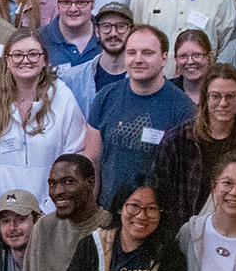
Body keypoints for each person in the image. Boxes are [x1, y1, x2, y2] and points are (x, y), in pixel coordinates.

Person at [0, 30, 88, 214]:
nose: (25, 60)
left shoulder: (63, 99)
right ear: (7, 59)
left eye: (33, 54)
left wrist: (48, 210)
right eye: (17, 55)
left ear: (44, 59)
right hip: (2, 213)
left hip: (52, 213)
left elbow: (73, 156)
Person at [82, 25, 195, 213]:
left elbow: (185, 178)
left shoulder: (183, 109)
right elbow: (93, 160)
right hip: (108, 214)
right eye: (132, 52)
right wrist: (91, 214)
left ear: (164, 59)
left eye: (148, 53)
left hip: (154, 219)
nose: (138, 60)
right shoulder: (106, 97)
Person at [152, 62, 236, 223]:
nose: (223, 103)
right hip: (183, 236)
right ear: (205, 98)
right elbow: (159, 195)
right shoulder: (176, 141)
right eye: (216, 96)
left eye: (231, 96)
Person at [57, 1, 136, 114]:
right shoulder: (73, 79)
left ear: (131, 31)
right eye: (106, 26)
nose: (113, 33)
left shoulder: (143, 78)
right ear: (97, 31)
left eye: (121, 26)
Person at [40, 0, 100, 67]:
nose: (73, 9)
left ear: (93, 3)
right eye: (66, 2)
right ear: (57, 3)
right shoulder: (39, 40)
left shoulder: (107, 39)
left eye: (81, 2)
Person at [170, 28, 212, 103]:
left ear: (208, 56)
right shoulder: (166, 91)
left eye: (197, 55)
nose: (190, 61)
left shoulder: (222, 92)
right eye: (183, 56)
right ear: (176, 59)